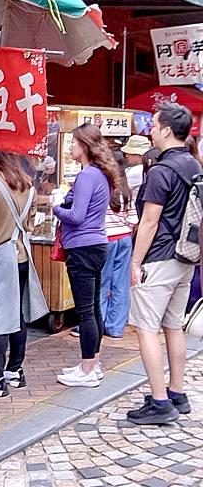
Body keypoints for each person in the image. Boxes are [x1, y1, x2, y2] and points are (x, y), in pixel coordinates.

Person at [128, 102, 201, 424]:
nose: (151, 130)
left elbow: (149, 222)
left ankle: (159, 402)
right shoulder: (194, 165)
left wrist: (135, 261)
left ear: (168, 130)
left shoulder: (161, 171)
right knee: (173, 325)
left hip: (159, 257)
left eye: (155, 125)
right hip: (187, 256)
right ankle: (177, 392)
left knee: (146, 328)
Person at [0, 150, 47, 397]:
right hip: (22, 255)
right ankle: (15, 370)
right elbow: (30, 224)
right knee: (17, 314)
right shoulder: (28, 185)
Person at [53, 124, 119, 388]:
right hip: (97, 245)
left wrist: (56, 208)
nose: (70, 147)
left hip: (82, 247)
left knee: (85, 312)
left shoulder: (87, 176)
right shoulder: (101, 174)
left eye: (73, 143)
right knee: (92, 306)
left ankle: (87, 368)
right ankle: (93, 362)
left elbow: (76, 216)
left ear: (85, 146)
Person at [99, 151, 138, 339]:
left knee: (101, 282)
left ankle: (98, 325)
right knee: (120, 283)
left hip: (106, 239)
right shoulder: (125, 188)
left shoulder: (104, 185)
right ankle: (115, 327)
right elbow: (133, 219)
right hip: (124, 238)